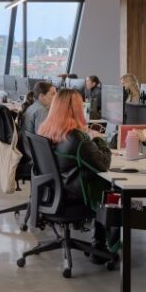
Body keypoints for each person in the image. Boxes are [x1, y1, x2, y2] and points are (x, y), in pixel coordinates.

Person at [37, 88, 114, 254]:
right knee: (110, 189)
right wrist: (100, 140)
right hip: (74, 196)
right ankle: (100, 247)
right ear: (75, 109)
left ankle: (101, 243)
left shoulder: (46, 129)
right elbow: (103, 164)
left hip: (53, 193)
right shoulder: (77, 138)